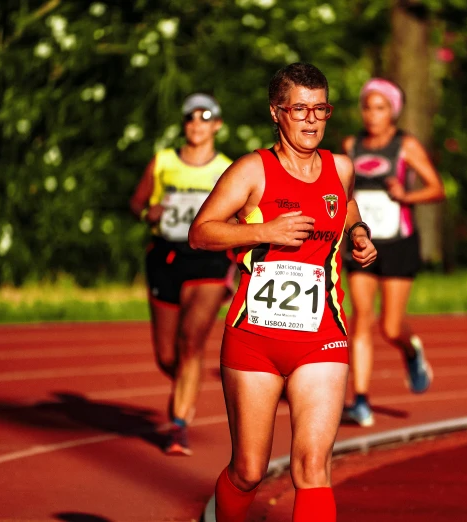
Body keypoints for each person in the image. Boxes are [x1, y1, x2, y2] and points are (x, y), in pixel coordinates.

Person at [190, 63, 376, 522]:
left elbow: (346, 202)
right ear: (277, 112)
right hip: (255, 339)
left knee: (313, 468)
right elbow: (201, 233)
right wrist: (264, 231)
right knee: (249, 470)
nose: (312, 120)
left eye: (321, 109)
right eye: (300, 109)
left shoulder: (341, 166)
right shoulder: (253, 170)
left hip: (322, 337)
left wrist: (358, 232)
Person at [129, 93, 234, 456]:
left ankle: (178, 426)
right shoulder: (163, 163)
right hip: (166, 257)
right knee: (166, 355)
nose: (197, 125)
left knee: (192, 343)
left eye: (205, 119)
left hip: (209, 260)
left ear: (217, 125)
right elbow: (137, 204)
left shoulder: (227, 167)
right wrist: (148, 214)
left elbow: (241, 216)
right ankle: (186, 383)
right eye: (191, 118)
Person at [341, 78, 446, 427]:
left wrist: (405, 196)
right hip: (361, 243)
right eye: (368, 107)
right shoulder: (351, 145)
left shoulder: (406, 146)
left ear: (393, 111)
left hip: (398, 242)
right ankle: (359, 400)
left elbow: (436, 189)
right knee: (361, 320)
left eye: (381, 108)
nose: (372, 115)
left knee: (389, 327)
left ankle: (411, 349)